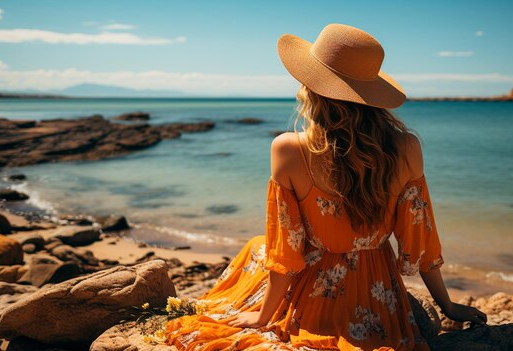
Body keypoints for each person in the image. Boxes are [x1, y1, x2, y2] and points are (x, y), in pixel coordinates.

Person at [165, 23, 487, 351]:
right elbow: (420, 243)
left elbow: (286, 254)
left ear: (312, 88)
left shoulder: (288, 149)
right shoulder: (407, 148)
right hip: (378, 291)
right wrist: (446, 305)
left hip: (314, 291)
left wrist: (263, 317)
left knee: (257, 248)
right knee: (258, 246)